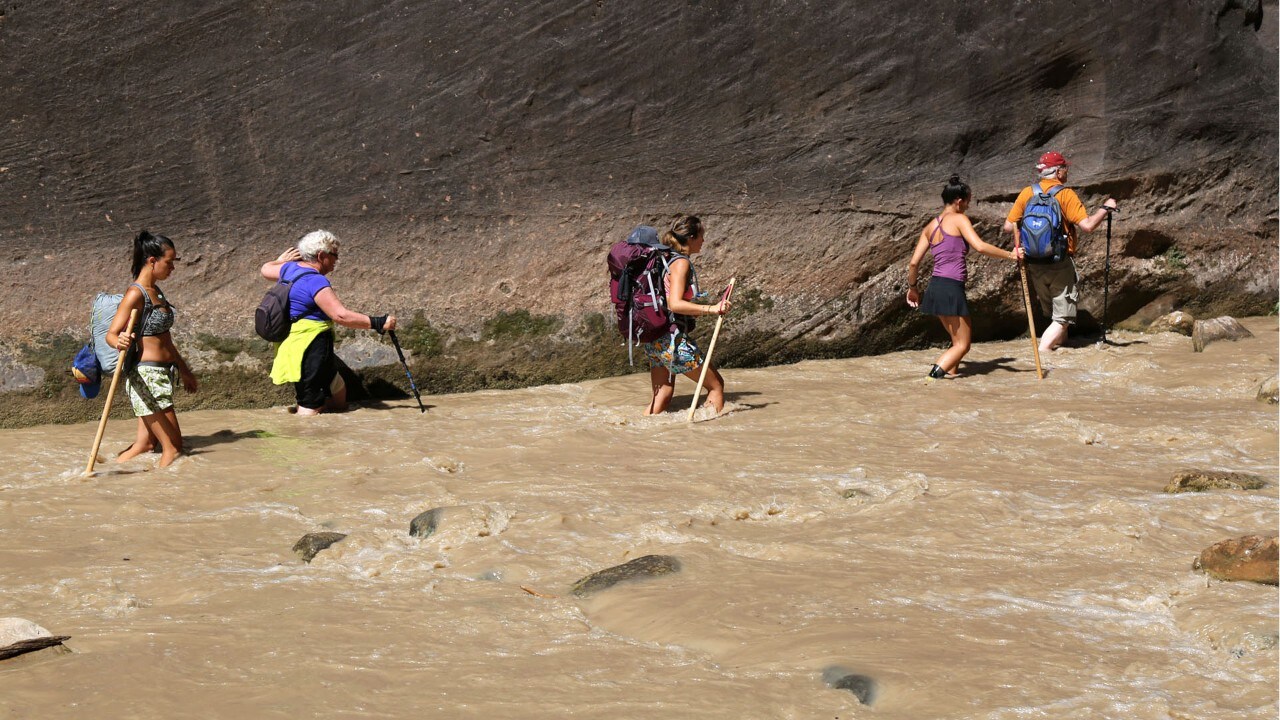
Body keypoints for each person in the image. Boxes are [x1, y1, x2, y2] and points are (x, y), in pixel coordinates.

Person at [259, 230, 397, 416]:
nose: (336, 260)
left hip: (295, 342)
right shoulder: (315, 281)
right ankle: (304, 436)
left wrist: (280, 260)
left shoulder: (289, 269)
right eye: (334, 255)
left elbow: (265, 269)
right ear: (321, 256)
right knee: (310, 407)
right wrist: (379, 323)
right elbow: (340, 316)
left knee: (337, 392)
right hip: (310, 345)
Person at [907, 176, 1024, 380]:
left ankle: (951, 385)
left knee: (956, 344)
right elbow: (979, 246)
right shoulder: (960, 219)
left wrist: (913, 288)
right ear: (959, 201)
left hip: (935, 288)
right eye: (968, 201)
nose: (968, 206)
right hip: (951, 287)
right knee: (963, 345)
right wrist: (1010, 255)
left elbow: (913, 263)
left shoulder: (929, 227)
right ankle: (931, 379)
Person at [1003, 151, 1118, 352]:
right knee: (1063, 319)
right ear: (1057, 171)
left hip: (1034, 262)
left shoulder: (1027, 193)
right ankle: (1044, 354)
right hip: (1059, 262)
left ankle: (1061, 347)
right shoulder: (1065, 194)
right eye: (1065, 168)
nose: (1067, 171)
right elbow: (1088, 226)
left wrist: (1021, 241)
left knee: (1055, 314)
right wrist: (1105, 208)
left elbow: (1008, 226)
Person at [106, 230, 198, 467]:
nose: (173, 268)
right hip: (146, 377)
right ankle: (163, 496)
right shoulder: (135, 293)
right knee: (174, 449)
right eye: (169, 262)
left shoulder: (157, 291)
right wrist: (120, 342)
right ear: (152, 261)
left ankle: (108, 471)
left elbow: (165, 340)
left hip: (162, 374)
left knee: (146, 445)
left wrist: (184, 370)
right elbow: (112, 334)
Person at [641, 216, 732, 415]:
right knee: (716, 386)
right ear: (690, 238)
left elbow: (666, 300)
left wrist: (693, 312)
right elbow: (674, 304)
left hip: (655, 339)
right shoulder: (680, 263)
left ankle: (639, 435)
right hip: (672, 340)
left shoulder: (663, 258)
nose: (703, 241)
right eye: (701, 236)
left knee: (663, 393)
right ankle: (709, 438)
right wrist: (712, 309)